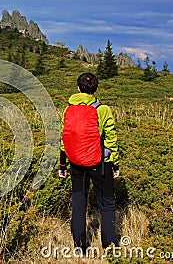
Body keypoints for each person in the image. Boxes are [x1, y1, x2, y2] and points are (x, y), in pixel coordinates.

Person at [58, 72, 120, 252]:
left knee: (79, 203)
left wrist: (63, 165)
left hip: (75, 162)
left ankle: (79, 247)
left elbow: (64, 139)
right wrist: (114, 164)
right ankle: (110, 248)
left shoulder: (68, 109)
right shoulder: (103, 109)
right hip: (100, 164)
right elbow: (111, 139)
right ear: (95, 89)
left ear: (78, 88)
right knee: (107, 204)